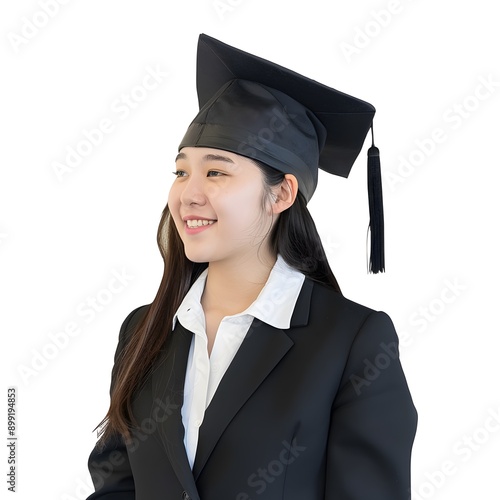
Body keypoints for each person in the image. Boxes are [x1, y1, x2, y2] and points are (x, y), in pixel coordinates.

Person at [85, 34, 417, 500]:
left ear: (281, 194)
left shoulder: (352, 343)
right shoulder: (144, 330)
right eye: (182, 172)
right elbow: (116, 488)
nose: (188, 194)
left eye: (216, 172)